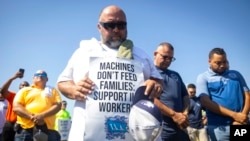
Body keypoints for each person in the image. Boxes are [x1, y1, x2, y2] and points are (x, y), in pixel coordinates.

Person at [57, 5, 163, 141]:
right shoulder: (83, 52)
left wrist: (155, 83)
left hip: (135, 135)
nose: (116, 30)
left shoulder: (141, 55)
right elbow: (62, 82)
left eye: (121, 25)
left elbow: (158, 80)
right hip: (86, 135)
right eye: (110, 25)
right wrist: (73, 89)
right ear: (99, 27)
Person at [196, 47, 250, 141]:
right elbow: (205, 101)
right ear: (209, 61)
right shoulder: (203, 77)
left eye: (224, 62)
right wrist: (234, 115)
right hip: (218, 128)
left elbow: (247, 95)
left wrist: (242, 117)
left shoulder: (236, 75)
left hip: (240, 123)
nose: (222, 65)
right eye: (218, 63)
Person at [153, 42, 190, 141]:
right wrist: (174, 115)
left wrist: (184, 116)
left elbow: (185, 96)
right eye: (165, 57)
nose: (168, 61)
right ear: (155, 54)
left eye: (171, 58)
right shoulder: (149, 73)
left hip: (181, 128)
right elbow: (150, 99)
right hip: (161, 130)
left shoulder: (176, 75)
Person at [13, 70, 62, 141]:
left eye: (44, 75)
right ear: (33, 78)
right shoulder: (24, 90)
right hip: (25, 131)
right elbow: (16, 107)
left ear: (47, 79)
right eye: (37, 74)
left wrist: (42, 115)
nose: (40, 76)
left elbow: (58, 106)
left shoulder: (53, 90)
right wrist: (32, 117)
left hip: (48, 131)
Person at [0, 71, 30, 141]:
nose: (24, 86)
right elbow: (3, 90)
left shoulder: (31, 99)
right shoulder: (14, 95)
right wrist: (12, 78)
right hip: (9, 125)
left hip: (22, 126)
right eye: (22, 85)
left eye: (26, 85)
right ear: (19, 87)